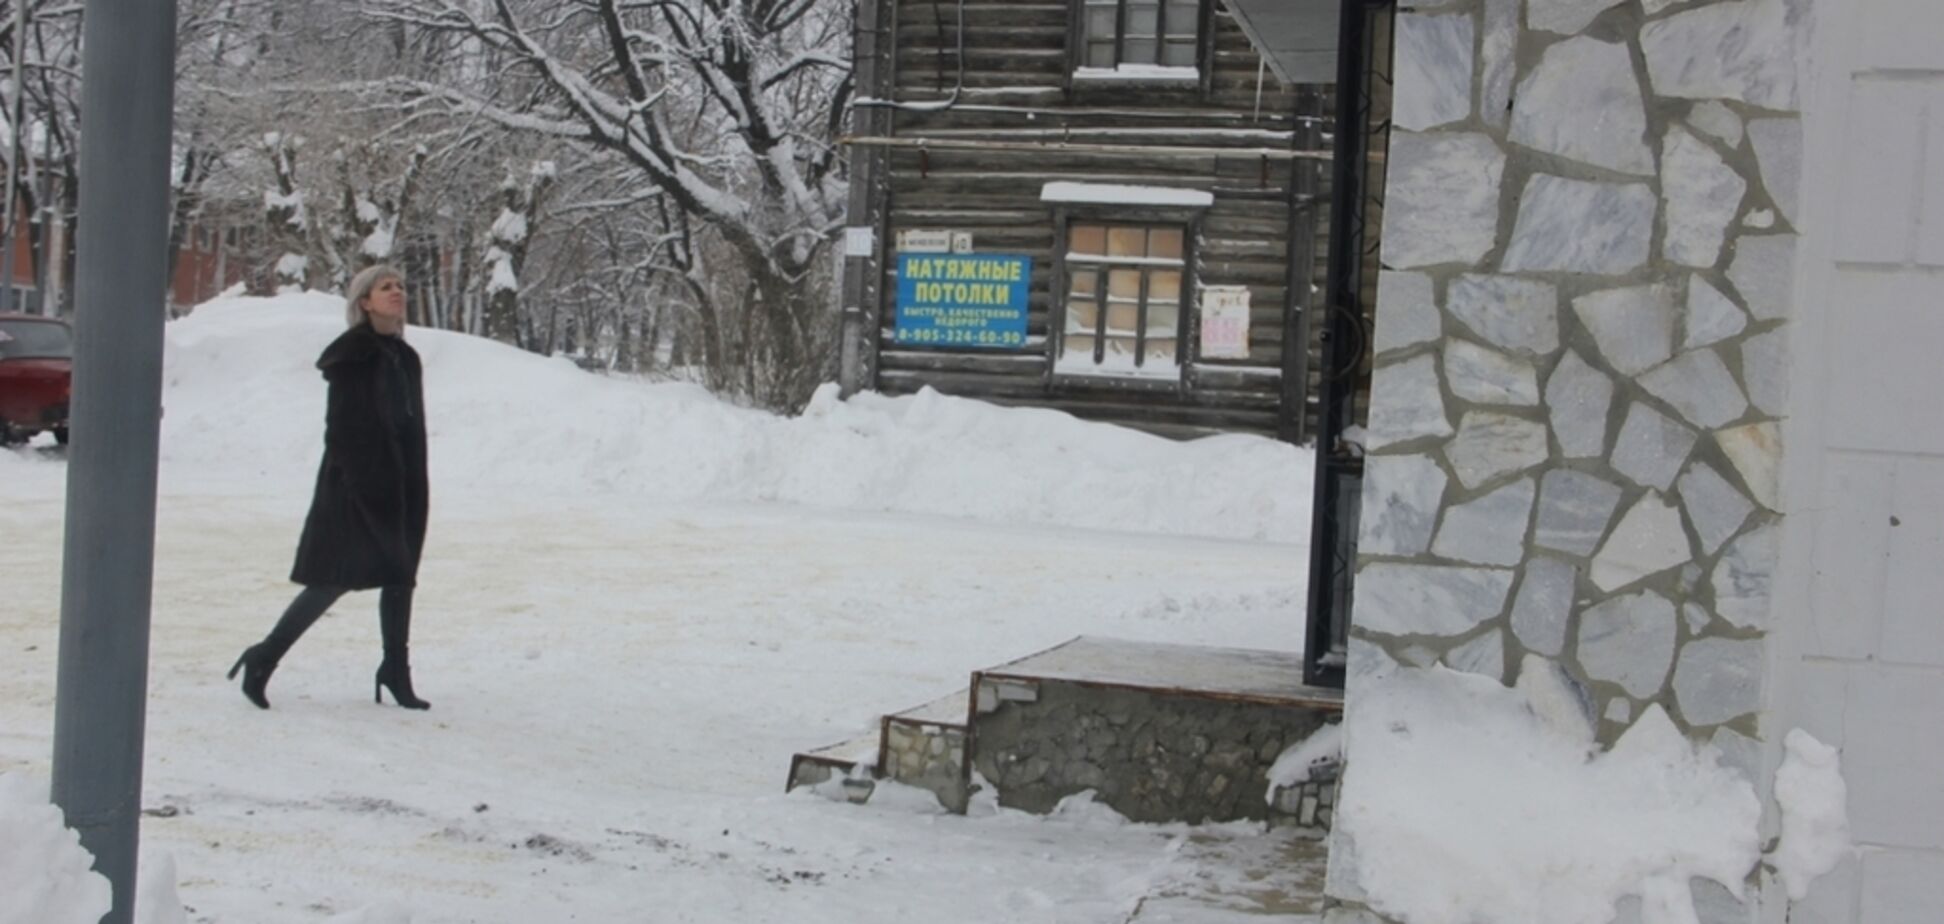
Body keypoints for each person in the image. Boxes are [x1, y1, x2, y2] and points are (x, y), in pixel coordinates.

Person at [229, 264, 433, 710]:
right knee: (332, 580)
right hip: (356, 487)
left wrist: (409, 483)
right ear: (365, 302)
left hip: (402, 485)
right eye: (386, 288)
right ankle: (263, 657)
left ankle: (395, 669)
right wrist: (371, 487)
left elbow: (409, 427)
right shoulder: (353, 354)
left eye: (400, 285)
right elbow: (344, 430)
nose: (397, 292)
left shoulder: (404, 355)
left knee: (401, 576)